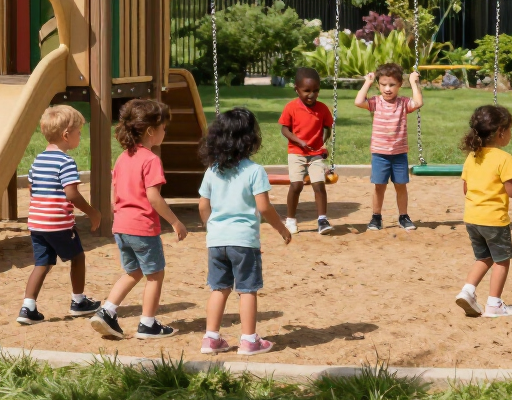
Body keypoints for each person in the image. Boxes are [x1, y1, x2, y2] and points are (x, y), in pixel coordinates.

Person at [91, 99, 188, 340]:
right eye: (164, 128)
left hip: (121, 226)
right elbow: (153, 197)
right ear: (151, 131)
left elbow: (117, 191)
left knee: (132, 272)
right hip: (142, 227)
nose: (165, 132)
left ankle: (107, 311)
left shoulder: (124, 157)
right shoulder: (151, 160)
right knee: (155, 275)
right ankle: (148, 323)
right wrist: (175, 221)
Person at [198, 107, 292, 356]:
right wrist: (282, 228)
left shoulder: (212, 170)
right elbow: (264, 207)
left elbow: (203, 205)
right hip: (243, 241)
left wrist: (212, 228)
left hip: (216, 240)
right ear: (250, 139)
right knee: (247, 289)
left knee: (219, 288)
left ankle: (211, 338)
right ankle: (249, 340)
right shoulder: (254, 171)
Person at [17, 105, 104, 324]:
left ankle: (28, 308)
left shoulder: (37, 160)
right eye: (78, 133)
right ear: (66, 135)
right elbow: (71, 193)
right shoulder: (66, 162)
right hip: (58, 224)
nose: (80, 137)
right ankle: (78, 301)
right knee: (78, 257)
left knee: (42, 264)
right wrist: (93, 213)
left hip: (37, 224)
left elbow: (31, 188)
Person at [454, 105, 512, 318]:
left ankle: (468, 291)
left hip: (472, 218)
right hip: (494, 220)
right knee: (501, 260)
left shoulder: (473, 156)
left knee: (483, 257)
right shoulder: (504, 158)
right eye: (509, 130)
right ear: (500, 132)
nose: (510, 134)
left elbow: (465, 188)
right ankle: (494, 304)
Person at [353, 62, 423, 231]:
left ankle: (403, 216)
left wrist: (413, 82)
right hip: (380, 153)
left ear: (400, 85)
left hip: (399, 153)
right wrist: (367, 82)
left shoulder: (403, 103)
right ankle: (376, 217)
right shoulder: (376, 102)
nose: (388, 89)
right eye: (383, 85)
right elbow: (358, 101)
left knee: (401, 185)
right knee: (379, 186)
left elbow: (418, 103)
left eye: (392, 85)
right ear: (379, 85)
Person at [278, 67, 335, 235]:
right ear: (297, 89)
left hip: (315, 154)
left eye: (316, 91)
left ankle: (322, 220)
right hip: (296, 152)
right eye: (307, 91)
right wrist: (299, 141)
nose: (311, 95)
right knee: (296, 185)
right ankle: (290, 219)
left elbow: (327, 128)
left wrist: (321, 145)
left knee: (319, 185)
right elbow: (284, 130)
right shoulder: (291, 108)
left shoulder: (322, 109)